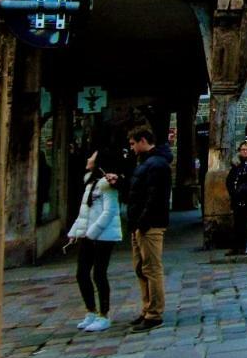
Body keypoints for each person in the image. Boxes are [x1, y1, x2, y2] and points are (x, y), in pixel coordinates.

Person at [122, 126, 172, 332]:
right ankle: (147, 308)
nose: (132, 148)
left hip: (150, 224)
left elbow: (154, 197)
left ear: (143, 141)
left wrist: (142, 222)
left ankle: (154, 313)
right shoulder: (145, 163)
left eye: (133, 144)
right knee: (141, 268)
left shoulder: (157, 164)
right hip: (139, 224)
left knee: (152, 269)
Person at [67, 150, 122, 332]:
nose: (88, 158)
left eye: (91, 156)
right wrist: (75, 231)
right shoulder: (90, 183)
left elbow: (109, 211)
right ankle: (90, 310)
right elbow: (85, 212)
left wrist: (92, 232)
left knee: (99, 273)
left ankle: (103, 314)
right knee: (81, 273)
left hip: (104, 236)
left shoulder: (107, 184)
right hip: (89, 236)